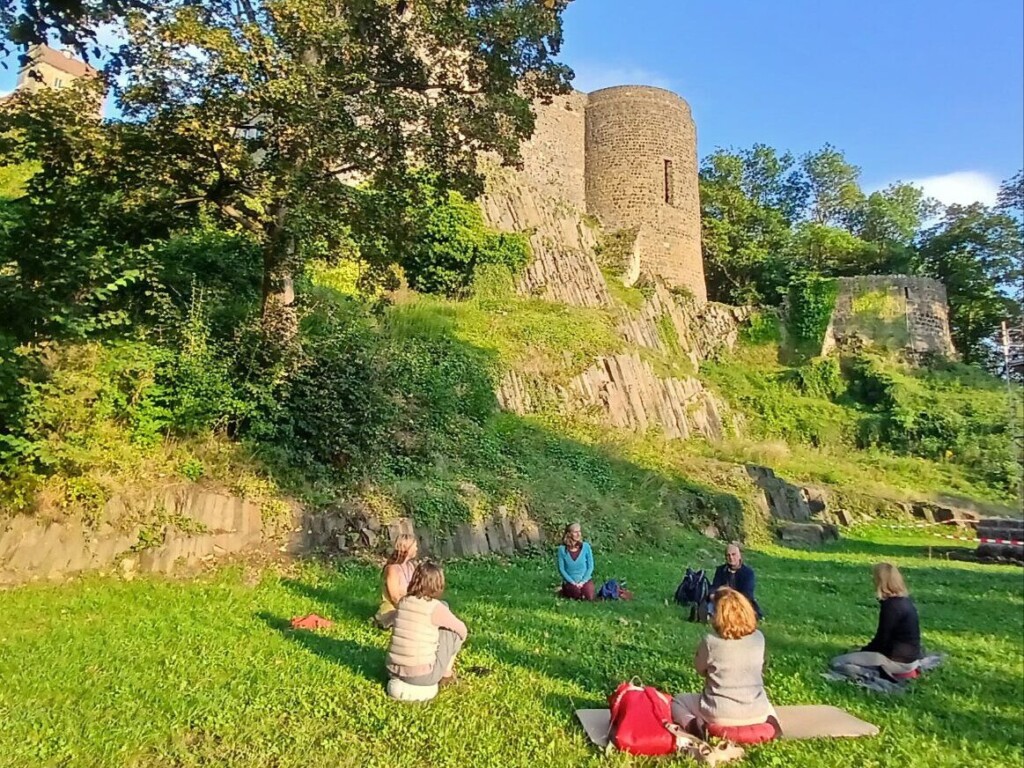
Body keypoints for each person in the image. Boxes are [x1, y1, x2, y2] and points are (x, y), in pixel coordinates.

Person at [671, 588, 780, 736]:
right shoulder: (759, 638)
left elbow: (699, 669)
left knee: (679, 701)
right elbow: (762, 666)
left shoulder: (711, 642)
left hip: (719, 712)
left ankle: (692, 725)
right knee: (764, 700)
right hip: (756, 711)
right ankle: (772, 725)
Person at [830, 562, 922, 677]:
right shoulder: (904, 600)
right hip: (911, 659)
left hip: (897, 662)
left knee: (837, 662)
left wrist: (863, 651)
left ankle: (873, 673)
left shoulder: (891, 606)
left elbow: (882, 639)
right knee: (855, 654)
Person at [386, 561, 468, 688]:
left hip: (392, 670)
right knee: (453, 633)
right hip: (421, 677)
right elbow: (462, 630)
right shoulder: (434, 607)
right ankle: (447, 675)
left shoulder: (403, 602)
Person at [373, 534, 418, 629]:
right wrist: (409, 609)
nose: (417, 549)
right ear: (406, 547)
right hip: (392, 610)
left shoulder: (412, 566)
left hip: (409, 607)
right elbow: (394, 597)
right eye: (415, 546)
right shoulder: (392, 569)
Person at [710, 542, 762, 619]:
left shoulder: (748, 573)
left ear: (739, 556)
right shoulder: (720, 570)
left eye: (733, 554)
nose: (731, 558)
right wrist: (713, 595)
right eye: (728, 555)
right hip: (722, 602)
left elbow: (747, 594)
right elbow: (715, 587)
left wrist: (731, 598)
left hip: (739, 603)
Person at [557, 522, 595, 601]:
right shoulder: (562, 549)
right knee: (576, 594)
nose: (578, 534)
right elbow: (561, 569)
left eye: (579, 531)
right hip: (570, 581)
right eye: (575, 532)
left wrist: (583, 582)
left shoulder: (586, 547)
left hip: (584, 579)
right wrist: (572, 582)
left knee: (589, 597)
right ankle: (564, 590)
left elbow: (590, 566)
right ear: (569, 534)